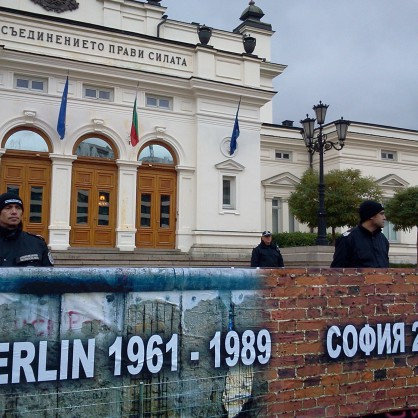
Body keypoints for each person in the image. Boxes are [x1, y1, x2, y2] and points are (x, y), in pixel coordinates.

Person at [0, 192, 54, 267]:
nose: (14, 212)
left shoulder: (37, 244)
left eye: (18, 208)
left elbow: (49, 276)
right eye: (8, 208)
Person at [331, 200, 389, 268]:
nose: (384, 218)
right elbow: (337, 271)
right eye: (381, 214)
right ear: (372, 216)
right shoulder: (347, 239)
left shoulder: (382, 239)